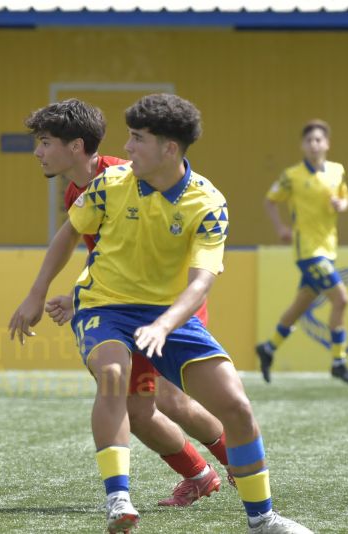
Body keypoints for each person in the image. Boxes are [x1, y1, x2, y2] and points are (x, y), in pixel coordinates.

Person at [9, 94, 311, 534]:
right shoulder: (109, 184)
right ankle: (120, 499)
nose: (127, 147)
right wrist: (43, 296)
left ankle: (261, 518)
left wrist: (164, 323)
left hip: (171, 314)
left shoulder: (208, 203)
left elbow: (202, 280)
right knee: (120, 385)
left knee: (235, 406)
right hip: (106, 307)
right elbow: (72, 237)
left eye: (137, 138)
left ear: (169, 148)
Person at [23, 99, 231, 507]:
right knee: (137, 410)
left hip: (166, 303)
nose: (37, 151)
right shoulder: (76, 192)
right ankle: (201, 474)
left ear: (76, 146)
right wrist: (78, 292)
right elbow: (108, 256)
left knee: (170, 401)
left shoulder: (126, 173)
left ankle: (236, 466)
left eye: (45, 142)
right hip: (121, 306)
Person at [256, 120, 348, 384]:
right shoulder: (291, 176)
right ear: (302, 146)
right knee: (341, 299)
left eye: (319, 140)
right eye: (309, 141)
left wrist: (342, 204)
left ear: (327, 144)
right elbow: (269, 201)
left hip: (329, 248)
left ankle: (268, 348)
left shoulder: (338, 170)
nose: (314, 145)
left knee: (300, 306)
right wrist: (280, 228)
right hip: (309, 252)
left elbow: (345, 198)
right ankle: (339, 361)